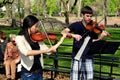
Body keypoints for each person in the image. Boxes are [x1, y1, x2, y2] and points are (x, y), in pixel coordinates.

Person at [61, 6, 109, 80]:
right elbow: (63, 32)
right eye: (87, 16)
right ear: (82, 15)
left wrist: (101, 38)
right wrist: (73, 35)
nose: (89, 18)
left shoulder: (94, 28)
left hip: (89, 58)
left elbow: (93, 41)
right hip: (77, 57)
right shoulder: (76, 25)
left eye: (90, 16)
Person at [15, 15, 60, 80]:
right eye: (35, 26)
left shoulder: (37, 38)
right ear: (29, 26)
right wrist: (46, 51)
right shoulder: (19, 38)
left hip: (39, 71)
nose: (37, 29)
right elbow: (26, 52)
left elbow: (48, 51)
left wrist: (59, 42)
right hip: (27, 73)